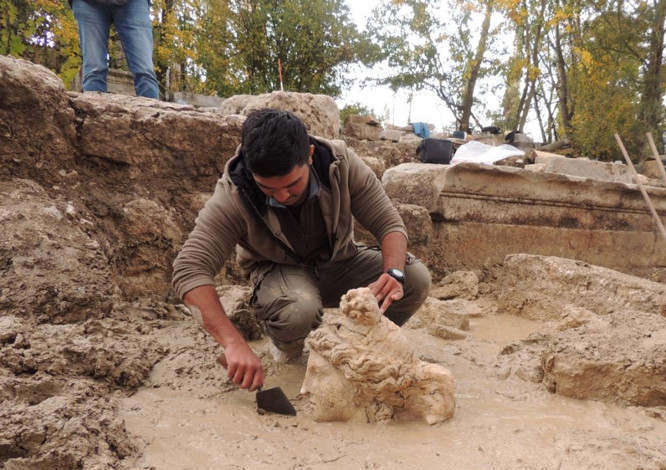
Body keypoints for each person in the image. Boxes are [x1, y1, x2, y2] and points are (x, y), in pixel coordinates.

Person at [172, 109, 432, 391]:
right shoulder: (235, 194)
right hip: (280, 274)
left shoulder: (339, 163)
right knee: (299, 310)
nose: (282, 196)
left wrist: (393, 272)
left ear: (309, 155)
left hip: (339, 263)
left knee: (414, 278)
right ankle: (287, 347)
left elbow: (388, 223)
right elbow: (189, 270)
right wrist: (233, 342)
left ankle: (362, 345)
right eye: (268, 189)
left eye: (292, 184)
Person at [70, 0, 160, 99]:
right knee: (94, 72)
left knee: (145, 73)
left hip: (134, 3)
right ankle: (94, 112)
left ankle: (152, 114)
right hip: (88, 4)